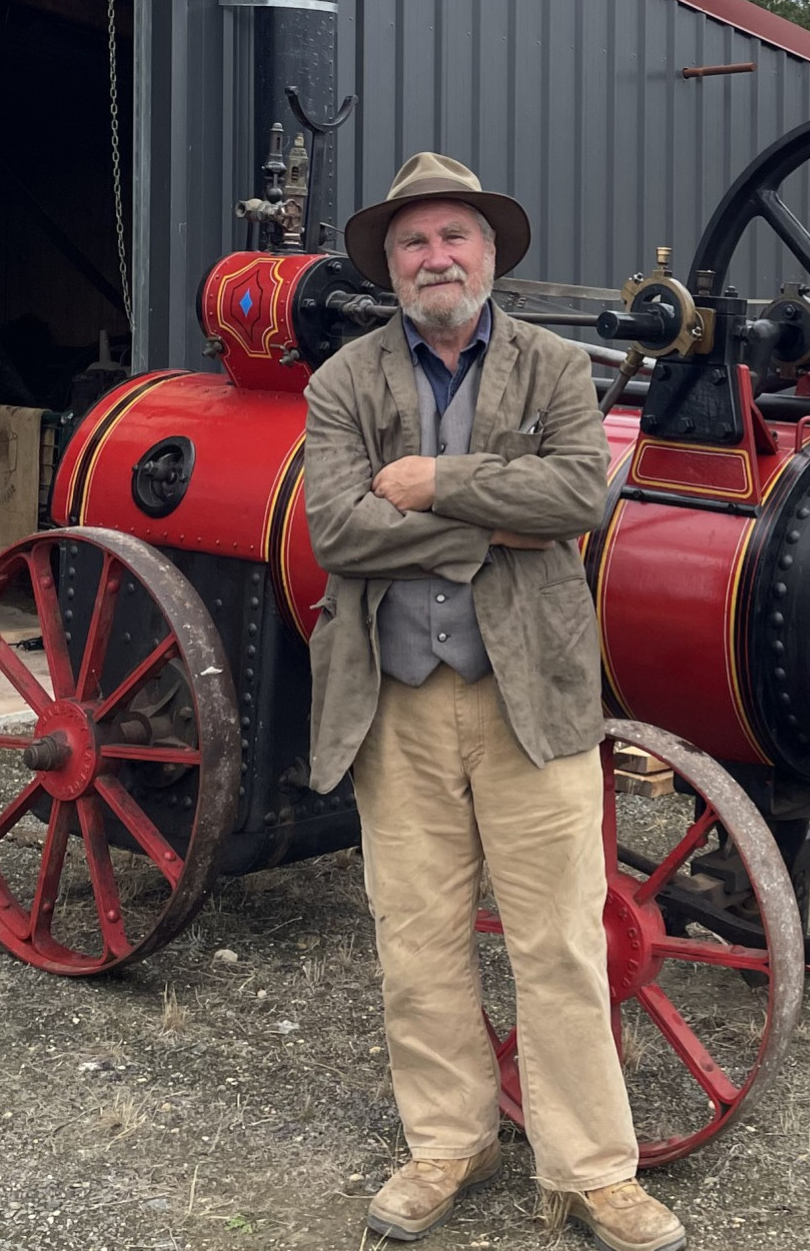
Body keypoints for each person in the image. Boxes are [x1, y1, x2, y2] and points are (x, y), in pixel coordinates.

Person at [300, 152, 684, 1251]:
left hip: (533, 695)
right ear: (388, 262)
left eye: (453, 237)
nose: (434, 257)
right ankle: (445, 1144)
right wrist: (500, 520)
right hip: (397, 698)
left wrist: (429, 483)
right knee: (415, 936)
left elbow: (575, 494)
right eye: (413, 241)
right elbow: (337, 530)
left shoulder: (559, 367)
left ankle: (592, 1171)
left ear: (490, 253)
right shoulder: (345, 383)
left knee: (558, 939)